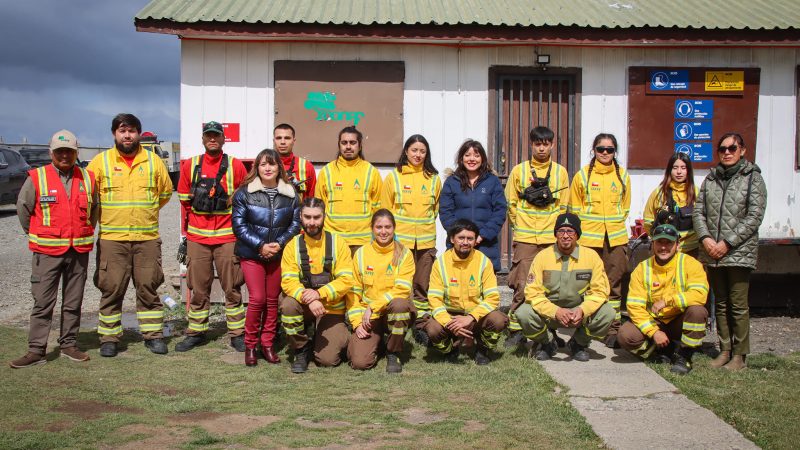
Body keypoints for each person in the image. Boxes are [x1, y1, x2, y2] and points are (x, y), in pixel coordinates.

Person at [9, 130, 98, 368]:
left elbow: (94, 211)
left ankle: (69, 344)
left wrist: (83, 231)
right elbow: (24, 209)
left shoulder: (88, 178)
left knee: (73, 301)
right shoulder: (37, 177)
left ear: (76, 152)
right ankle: (36, 350)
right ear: (52, 153)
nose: (65, 156)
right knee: (42, 303)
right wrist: (38, 234)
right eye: (60, 152)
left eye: (69, 151)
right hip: (46, 253)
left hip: (78, 252)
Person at [88, 113, 173, 357]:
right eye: (122, 131)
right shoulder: (100, 162)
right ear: (114, 134)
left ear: (138, 134)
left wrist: (144, 213)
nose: (127, 135)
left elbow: (165, 194)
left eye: (132, 131)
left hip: (146, 238)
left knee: (148, 287)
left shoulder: (153, 161)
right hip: (112, 239)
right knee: (112, 288)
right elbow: (90, 197)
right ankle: (109, 338)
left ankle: (153, 335)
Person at [694, 132, 766, 371]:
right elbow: (698, 212)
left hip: (737, 252)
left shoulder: (753, 178)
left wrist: (727, 243)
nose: (727, 152)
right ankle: (724, 350)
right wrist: (705, 239)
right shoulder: (710, 179)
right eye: (722, 148)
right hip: (712, 252)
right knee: (721, 303)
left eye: (732, 148)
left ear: (742, 150)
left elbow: (754, 216)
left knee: (737, 304)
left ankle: (740, 355)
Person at [175, 121, 248, 353]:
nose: (213, 139)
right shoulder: (190, 165)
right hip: (198, 238)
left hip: (227, 237)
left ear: (224, 139)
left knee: (232, 286)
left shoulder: (236, 166)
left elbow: (245, 199)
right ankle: (196, 332)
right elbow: (185, 201)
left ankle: (237, 333)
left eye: (217, 135)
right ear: (203, 139)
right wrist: (187, 236)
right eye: (209, 136)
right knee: (198, 288)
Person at [231, 149, 301, 366]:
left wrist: (278, 244)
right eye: (263, 165)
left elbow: (295, 224)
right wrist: (261, 245)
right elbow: (238, 225)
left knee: (272, 301)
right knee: (258, 299)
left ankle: (268, 344)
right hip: (252, 254)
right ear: (257, 168)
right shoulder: (244, 193)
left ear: (279, 167)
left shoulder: (290, 194)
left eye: (272, 164)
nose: (268, 168)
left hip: (278, 255)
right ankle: (250, 345)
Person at [517, 213, 615, 361]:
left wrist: (582, 310)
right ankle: (548, 342)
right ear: (556, 234)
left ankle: (578, 343)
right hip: (550, 314)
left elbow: (600, 292)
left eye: (570, 231)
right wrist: (555, 311)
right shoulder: (542, 257)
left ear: (577, 235)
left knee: (608, 313)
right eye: (561, 231)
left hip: (579, 314)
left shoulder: (592, 257)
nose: (565, 235)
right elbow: (532, 293)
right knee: (523, 313)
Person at [504, 126, 570, 345]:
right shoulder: (518, 171)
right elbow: (511, 203)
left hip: (551, 241)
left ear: (552, 145)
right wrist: (520, 226)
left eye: (546, 143)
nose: (541, 148)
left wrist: (558, 235)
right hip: (526, 239)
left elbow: (563, 207)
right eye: (537, 144)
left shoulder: (560, 172)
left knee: (549, 286)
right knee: (522, 284)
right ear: (531, 145)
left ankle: (547, 329)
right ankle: (516, 329)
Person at [619, 224, 709, 374]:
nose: (663, 247)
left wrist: (668, 301)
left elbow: (700, 294)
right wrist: (654, 332)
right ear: (652, 244)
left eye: (669, 243)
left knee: (698, 311)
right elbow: (634, 307)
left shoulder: (691, 264)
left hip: (679, 320)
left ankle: (685, 356)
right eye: (659, 242)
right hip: (655, 320)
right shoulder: (641, 269)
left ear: (677, 245)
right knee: (625, 336)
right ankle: (666, 350)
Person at [569, 133, 630, 348]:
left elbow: (625, 208)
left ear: (615, 152)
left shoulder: (622, 175)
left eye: (610, 149)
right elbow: (574, 209)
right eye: (600, 149)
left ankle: (611, 330)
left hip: (615, 239)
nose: (605, 153)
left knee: (614, 286)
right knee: (587, 286)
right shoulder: (582, 175)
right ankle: (585, 325)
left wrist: (612, 227)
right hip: (589, 240)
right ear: (593, 150)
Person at [280, 198, 355, 373]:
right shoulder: (292, 246)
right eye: (307, 217)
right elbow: (288, 281)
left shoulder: (338, 244)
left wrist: (319, 294)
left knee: (327, 360)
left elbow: (346, 280)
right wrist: (310, 299)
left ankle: (338, 336)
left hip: (331, 309)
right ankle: (301, 348)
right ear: (300, 216)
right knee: (288, 305)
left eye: (316, 217)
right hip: (305, 305)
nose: (312, 222)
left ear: (324, 217)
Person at [380, 134, 442, 342]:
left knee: (422, 287)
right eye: (414, 150)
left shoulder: (433, 179)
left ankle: (421, 327)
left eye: (422, 151)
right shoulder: (394, 177)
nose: (418, 154)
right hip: (400, 244)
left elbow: (435, 210)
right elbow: (385, 211)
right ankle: (399, 325)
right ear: (406, 151)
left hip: (426, 243)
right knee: (401, 285)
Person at [425, 219, 508, 365]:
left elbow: (492, 298)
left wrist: (471, 317)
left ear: (475, 240)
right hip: (451, 317)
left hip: (476, 318)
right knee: (432, 329)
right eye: (461, 238)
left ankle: (482, 350)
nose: (465, 242)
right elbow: (434, 298)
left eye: (470, 238)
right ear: (452, 239)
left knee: (498, 320)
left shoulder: (484, 261)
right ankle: (450, 350)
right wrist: (449, 322)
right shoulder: (441, 263)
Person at [346, 209, 415, 373]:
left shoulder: (405, 254)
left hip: (390, 312)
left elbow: (403, 289)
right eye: (379, 227)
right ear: (372, 228)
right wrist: (356, 323)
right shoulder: (361, 254)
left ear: (394, 228)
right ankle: (377, 343)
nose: (383, 232)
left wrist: (373, 306)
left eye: (388, 227)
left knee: (399, 305)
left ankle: (393, 351)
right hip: (369, 317)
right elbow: (353, 293)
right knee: (359, 363)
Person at [439, 140, 507, 272]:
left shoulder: (492, 181)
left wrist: (482, 235)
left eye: (476, 155)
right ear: (461, 158)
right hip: (459, 244)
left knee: (485, 286)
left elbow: (500, 211)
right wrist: (460, 236)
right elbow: (445, 212)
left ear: (482, 159)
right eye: (467, 155)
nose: (472, 159)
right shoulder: (451, 182)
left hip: (486, 244)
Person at [315, 126, 382, 253]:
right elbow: (319, 208)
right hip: (333, 240)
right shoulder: (327, 171)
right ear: (339, 145)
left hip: (362, 242)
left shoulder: (371, 172)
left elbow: (378, 208)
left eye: (353, 142)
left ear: (360, 145)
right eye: (344, 143)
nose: (348, 146)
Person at [643, 152, 699, 256]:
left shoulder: (697, 193)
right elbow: (648, 221)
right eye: (675, 167)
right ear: (669, 170)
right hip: (666, 250)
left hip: (692, 250)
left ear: (688, 171)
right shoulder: (659, 193)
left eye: (683, 168)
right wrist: (660, 242)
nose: (679, 172)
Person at [273, 123, 316, 200]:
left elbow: (311, 198)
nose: (283, 142)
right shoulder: (265, 166)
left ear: (294, 141)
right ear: (274, 141)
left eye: (287, 138)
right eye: (279, 138)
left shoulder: (307, 166)